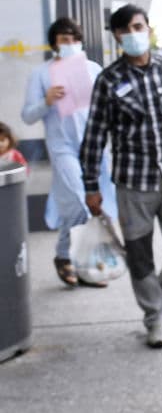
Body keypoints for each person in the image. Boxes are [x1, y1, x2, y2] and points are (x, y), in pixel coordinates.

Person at [80, 4, 162, 348]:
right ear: (117, 36)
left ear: (148, 28)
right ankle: (154, 318)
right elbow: (94, 136)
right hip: (133, 183)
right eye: (126, 29)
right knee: (140, 253)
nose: (134, 33)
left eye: (138, 26)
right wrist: (91, 186)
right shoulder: (109, 80)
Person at [21, 17, 117, 287]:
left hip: (94, 147)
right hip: (62, 147)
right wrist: (47, 100)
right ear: (54, 43)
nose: (71, 44)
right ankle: (79, 258)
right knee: (79, 198)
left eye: (75, 39)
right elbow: (27, 116)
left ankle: (70, 258)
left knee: (90, 204)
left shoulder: (93, 69)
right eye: (64, 39)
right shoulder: (41, 74)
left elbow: (109, 107)